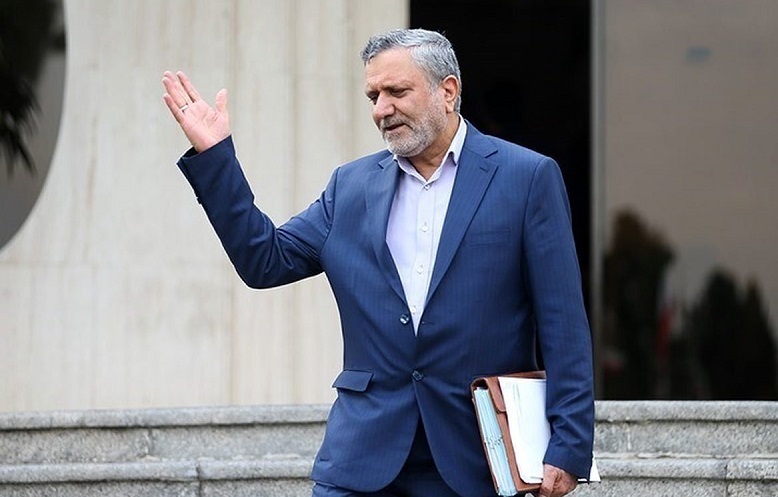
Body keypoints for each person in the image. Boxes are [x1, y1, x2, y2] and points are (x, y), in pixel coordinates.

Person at [162, 28, 594, 497]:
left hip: (477, 458)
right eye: (373, 96)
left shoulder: (526, 178)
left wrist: (569, 444)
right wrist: (216, 157)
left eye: (396, 92)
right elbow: (264, 260)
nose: (381, 110)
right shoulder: (350, 186)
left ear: (448, 91)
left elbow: (563, 323)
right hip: (361, 458)